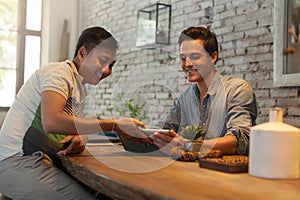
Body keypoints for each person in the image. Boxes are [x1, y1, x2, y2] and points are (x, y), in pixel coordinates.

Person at [0, 26, 149, 200]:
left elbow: (67, 127)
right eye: (102, 60)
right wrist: (114, 124)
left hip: (39, 161)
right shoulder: (59, 72)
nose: (107, 70)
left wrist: (80, 136)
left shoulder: (78, 88)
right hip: (16, 162)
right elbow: (52, 122)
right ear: (82, 53)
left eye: (112, 65)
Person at [152, 26, 257, 156]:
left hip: (227, 173)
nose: (187, 64)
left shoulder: (237, 89)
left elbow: (240, 141)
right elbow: (166, 128)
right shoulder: (185, 98)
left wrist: (188, 145)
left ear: (213, 57)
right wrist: (147, 134)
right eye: (183, 58)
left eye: (195, 56)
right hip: (193, 170)